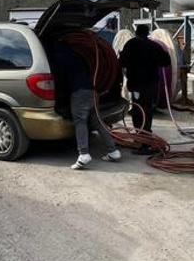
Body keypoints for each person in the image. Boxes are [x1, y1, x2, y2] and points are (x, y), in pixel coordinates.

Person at [49, 39, 121, 170]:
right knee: (97, 122)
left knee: (80, 121)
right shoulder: (77, 56)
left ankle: (83, 154)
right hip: (92, 91)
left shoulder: (58, 58)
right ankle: (113, 151)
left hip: (79, 93)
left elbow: (60, 80)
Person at [119, 24, 171, 154]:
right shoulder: (154, 46)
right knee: (148, 111)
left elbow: (121, 62)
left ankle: (143, 143)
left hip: (137, 85)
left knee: (138, 112)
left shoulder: (131, 44)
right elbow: (166, 61)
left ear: (136, 33)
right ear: (148, 33)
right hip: (152, 85)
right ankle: (145, 138)